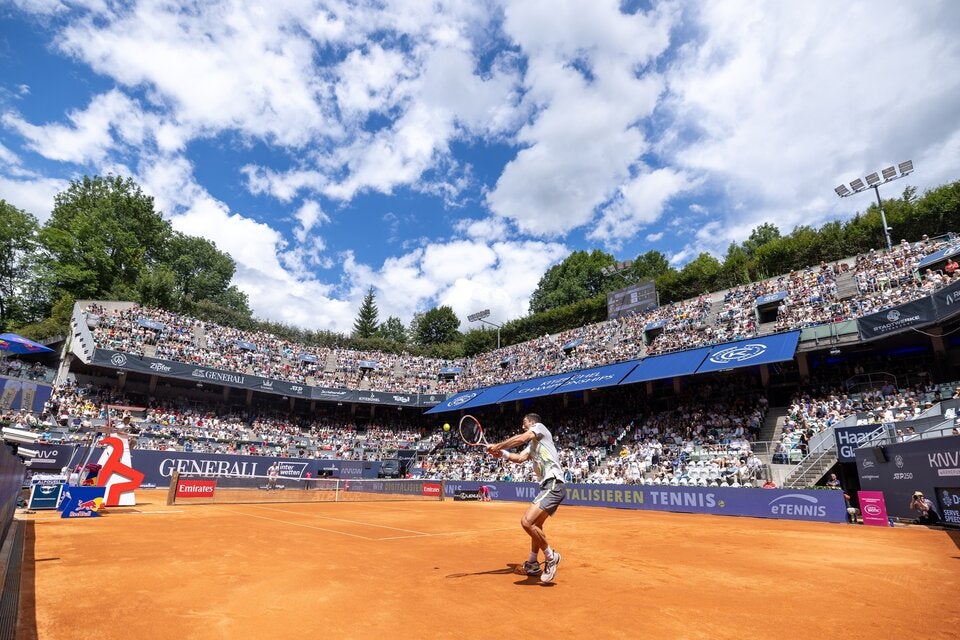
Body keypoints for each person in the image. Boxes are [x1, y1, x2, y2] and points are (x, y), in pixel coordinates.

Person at [487, 413, 564, 583]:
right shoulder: (533, 446)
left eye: (525, 423)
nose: (523, 426)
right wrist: (503, 454)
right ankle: (532, 562)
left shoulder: (540, 428)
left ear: (532, 422)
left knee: (526, 522)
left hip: (553, 483)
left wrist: (498, 446)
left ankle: (551, 558)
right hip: (547, 486)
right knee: (536, 525)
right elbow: (520, 458)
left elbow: (521, 438)